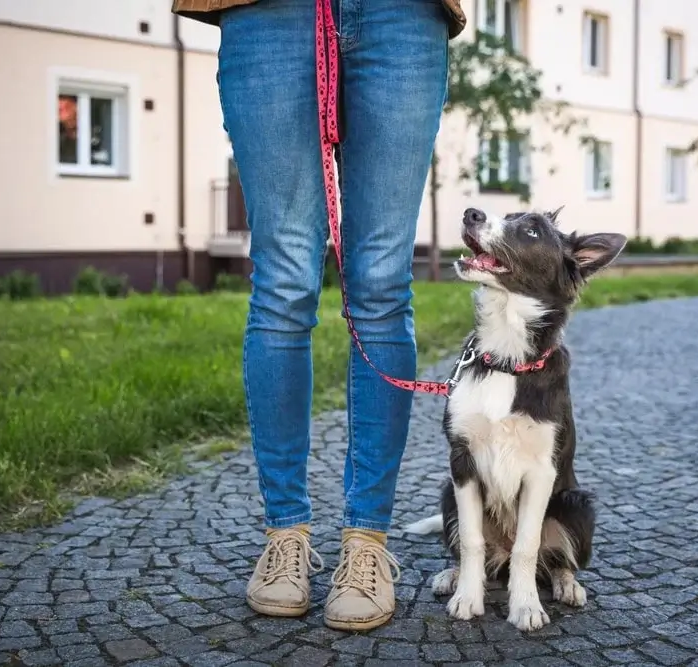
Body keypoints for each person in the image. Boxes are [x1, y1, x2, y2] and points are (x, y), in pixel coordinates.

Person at [171, 0, 466, 631]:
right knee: (283, 281)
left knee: (383, 283)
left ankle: (367, 544)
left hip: (403, 15)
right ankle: (286, 535)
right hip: (267, 11)